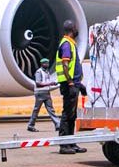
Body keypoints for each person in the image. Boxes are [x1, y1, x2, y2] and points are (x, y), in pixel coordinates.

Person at [55, 19, 87, 154]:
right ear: (72, 29)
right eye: (75, 27)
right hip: (69, 85)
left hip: (74, 84)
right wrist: (71, 83)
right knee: (67, 114)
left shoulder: (71, 44)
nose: (76, 30)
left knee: (72, 115)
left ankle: (71, 143)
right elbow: (65, 65)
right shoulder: (66, 44)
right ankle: (64, 145)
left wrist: (79, 85)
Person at [27, 58, 60, 132]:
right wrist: (50, 83)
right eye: (45, 63)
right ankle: (30, 125)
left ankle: (57, 124)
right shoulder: (39, 72)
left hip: (46, 92)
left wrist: (53, 83)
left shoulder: (47, 72)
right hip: (40, 93)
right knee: (36, 110)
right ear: (41, 64)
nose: (47, 64)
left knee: (51, 109)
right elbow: (38, 83)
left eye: (47, 63)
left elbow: (46, 81)